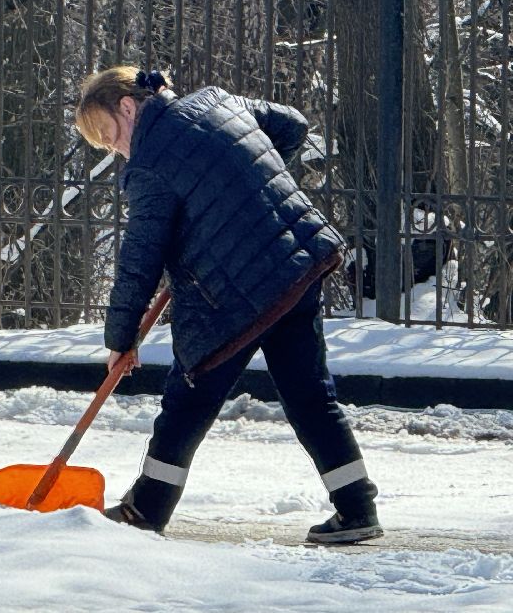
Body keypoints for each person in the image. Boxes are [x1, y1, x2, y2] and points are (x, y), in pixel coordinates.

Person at [73, 66, 381, 545]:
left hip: (237, 292)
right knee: (308, 393)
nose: (116, 150)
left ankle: (145, 510)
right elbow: (292, 124)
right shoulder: (219, 101)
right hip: (296, 263)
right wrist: (244, 193)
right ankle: (357, 507)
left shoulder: (150, 165)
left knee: (189, 394)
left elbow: (140, 259)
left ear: (128, 108)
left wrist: (121, 338)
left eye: (110, 135)